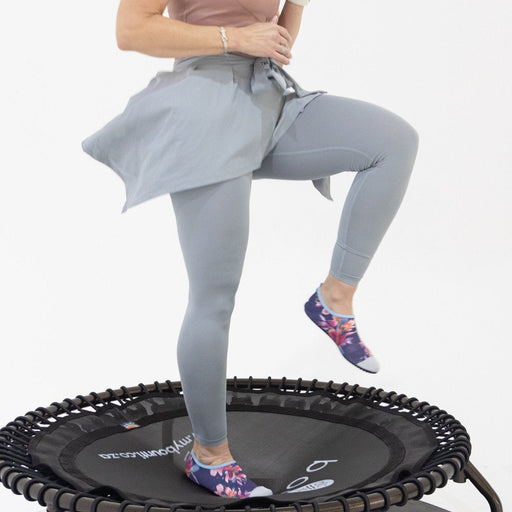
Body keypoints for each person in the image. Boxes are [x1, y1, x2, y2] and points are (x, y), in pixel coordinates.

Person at [82, 0, 419, 499]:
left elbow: (276, 43)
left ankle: (334, 298)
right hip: (205, 112)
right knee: (214, 297)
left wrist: (295, 6)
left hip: (269, 100)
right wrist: (234, 39)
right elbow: (130, 30)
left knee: (393, 141)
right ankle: (209, 455)